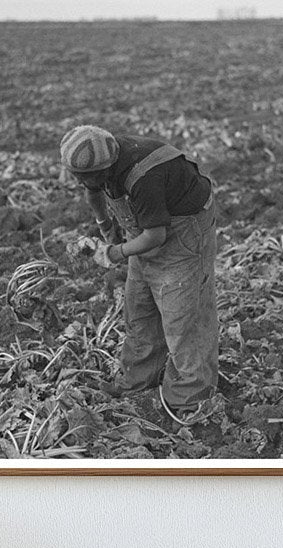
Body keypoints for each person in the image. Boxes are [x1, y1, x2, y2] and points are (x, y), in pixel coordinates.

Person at [60, 125, 219, 424]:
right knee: (139, 308)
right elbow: (93, 193)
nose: (80, 182)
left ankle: (191, 396)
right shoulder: (99, 163)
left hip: (183, 231)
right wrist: (105, 226)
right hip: (145, 228)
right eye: (75, 176)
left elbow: (156, 236)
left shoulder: (144, 176)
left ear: (103, 169)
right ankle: (139, 380)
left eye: (84, 177)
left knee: (183, 318)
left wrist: (114, 253)